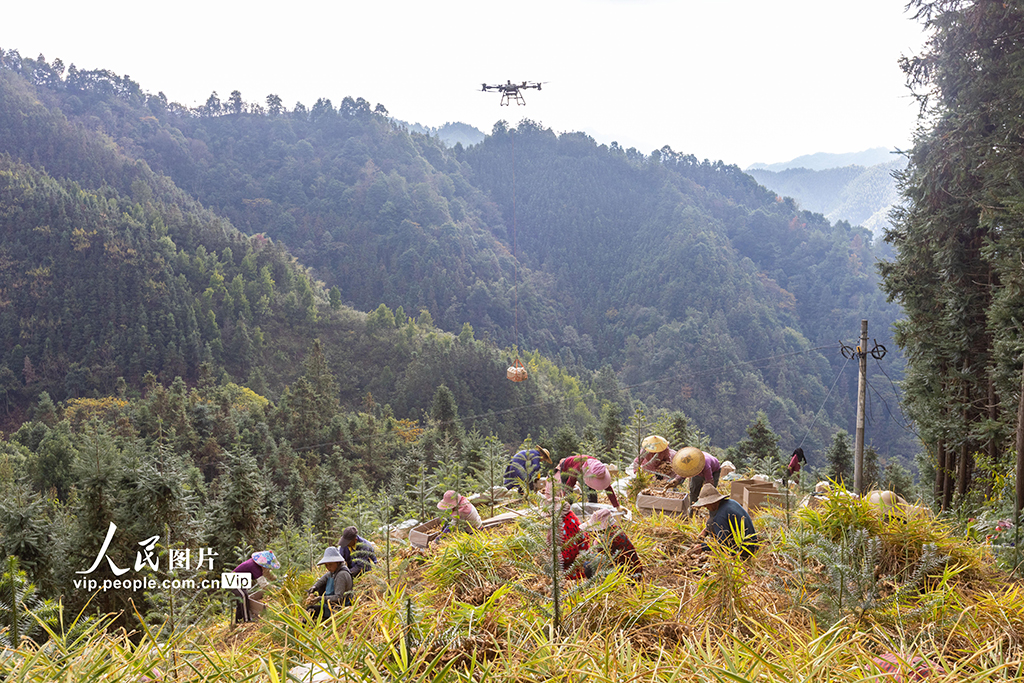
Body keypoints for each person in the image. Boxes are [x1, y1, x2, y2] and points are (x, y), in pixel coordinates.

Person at [686, 484, 759, 559]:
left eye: (706, 505)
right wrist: (705, 531)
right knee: (711, 522)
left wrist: (703, 547)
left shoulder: (720, 517)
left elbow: (723, 545)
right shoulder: (730, 503)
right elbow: (712, 521)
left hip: (746, 549)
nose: (706, 507)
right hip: (753, 542)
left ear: (712, 502)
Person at [541, 480, 590, 579]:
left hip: (577, 560)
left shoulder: (567, 525)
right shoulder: (567, 516)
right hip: (569, 553)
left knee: (558, 575)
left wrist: (555, 559)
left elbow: (571, 552)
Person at [581, 508, 642, 580]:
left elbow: (599, 559)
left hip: (625, 576)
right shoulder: (617, 529)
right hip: (636, 571)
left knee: (587, 566)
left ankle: (598, 582)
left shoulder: (606, 540)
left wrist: (595, 545)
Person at [304, 546, 353, 620]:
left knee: (310, 610)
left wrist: (320, 599)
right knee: (320, 588)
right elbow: (322, 580)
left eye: (330, 564)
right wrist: (314, 587)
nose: (328, 567)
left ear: (337, 562)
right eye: (326, 565)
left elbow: (339, 598)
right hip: (330, 605)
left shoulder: (341, 575)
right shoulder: (333, 571)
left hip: (339, 609)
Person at [555, 454, 621, 508]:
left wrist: (617, 506)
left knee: (591, 490)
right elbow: (569, 485)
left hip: (585, 468)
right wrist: (565, 501)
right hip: (566, 467)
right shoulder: (577, 468)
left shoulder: (598, 466)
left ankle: (593, 508)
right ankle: (569, 512)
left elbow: (608, 488)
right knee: (569, 494)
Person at [231, 550, 279, 623]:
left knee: (240, 601)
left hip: (240, 582)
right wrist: (274, 588)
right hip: (233, 580)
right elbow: (263, 585)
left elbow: (267, 574)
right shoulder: (254, 567)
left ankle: (238, 620)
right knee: (244, 596)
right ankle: (247, 620)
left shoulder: (259, 565)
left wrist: (277, 580)